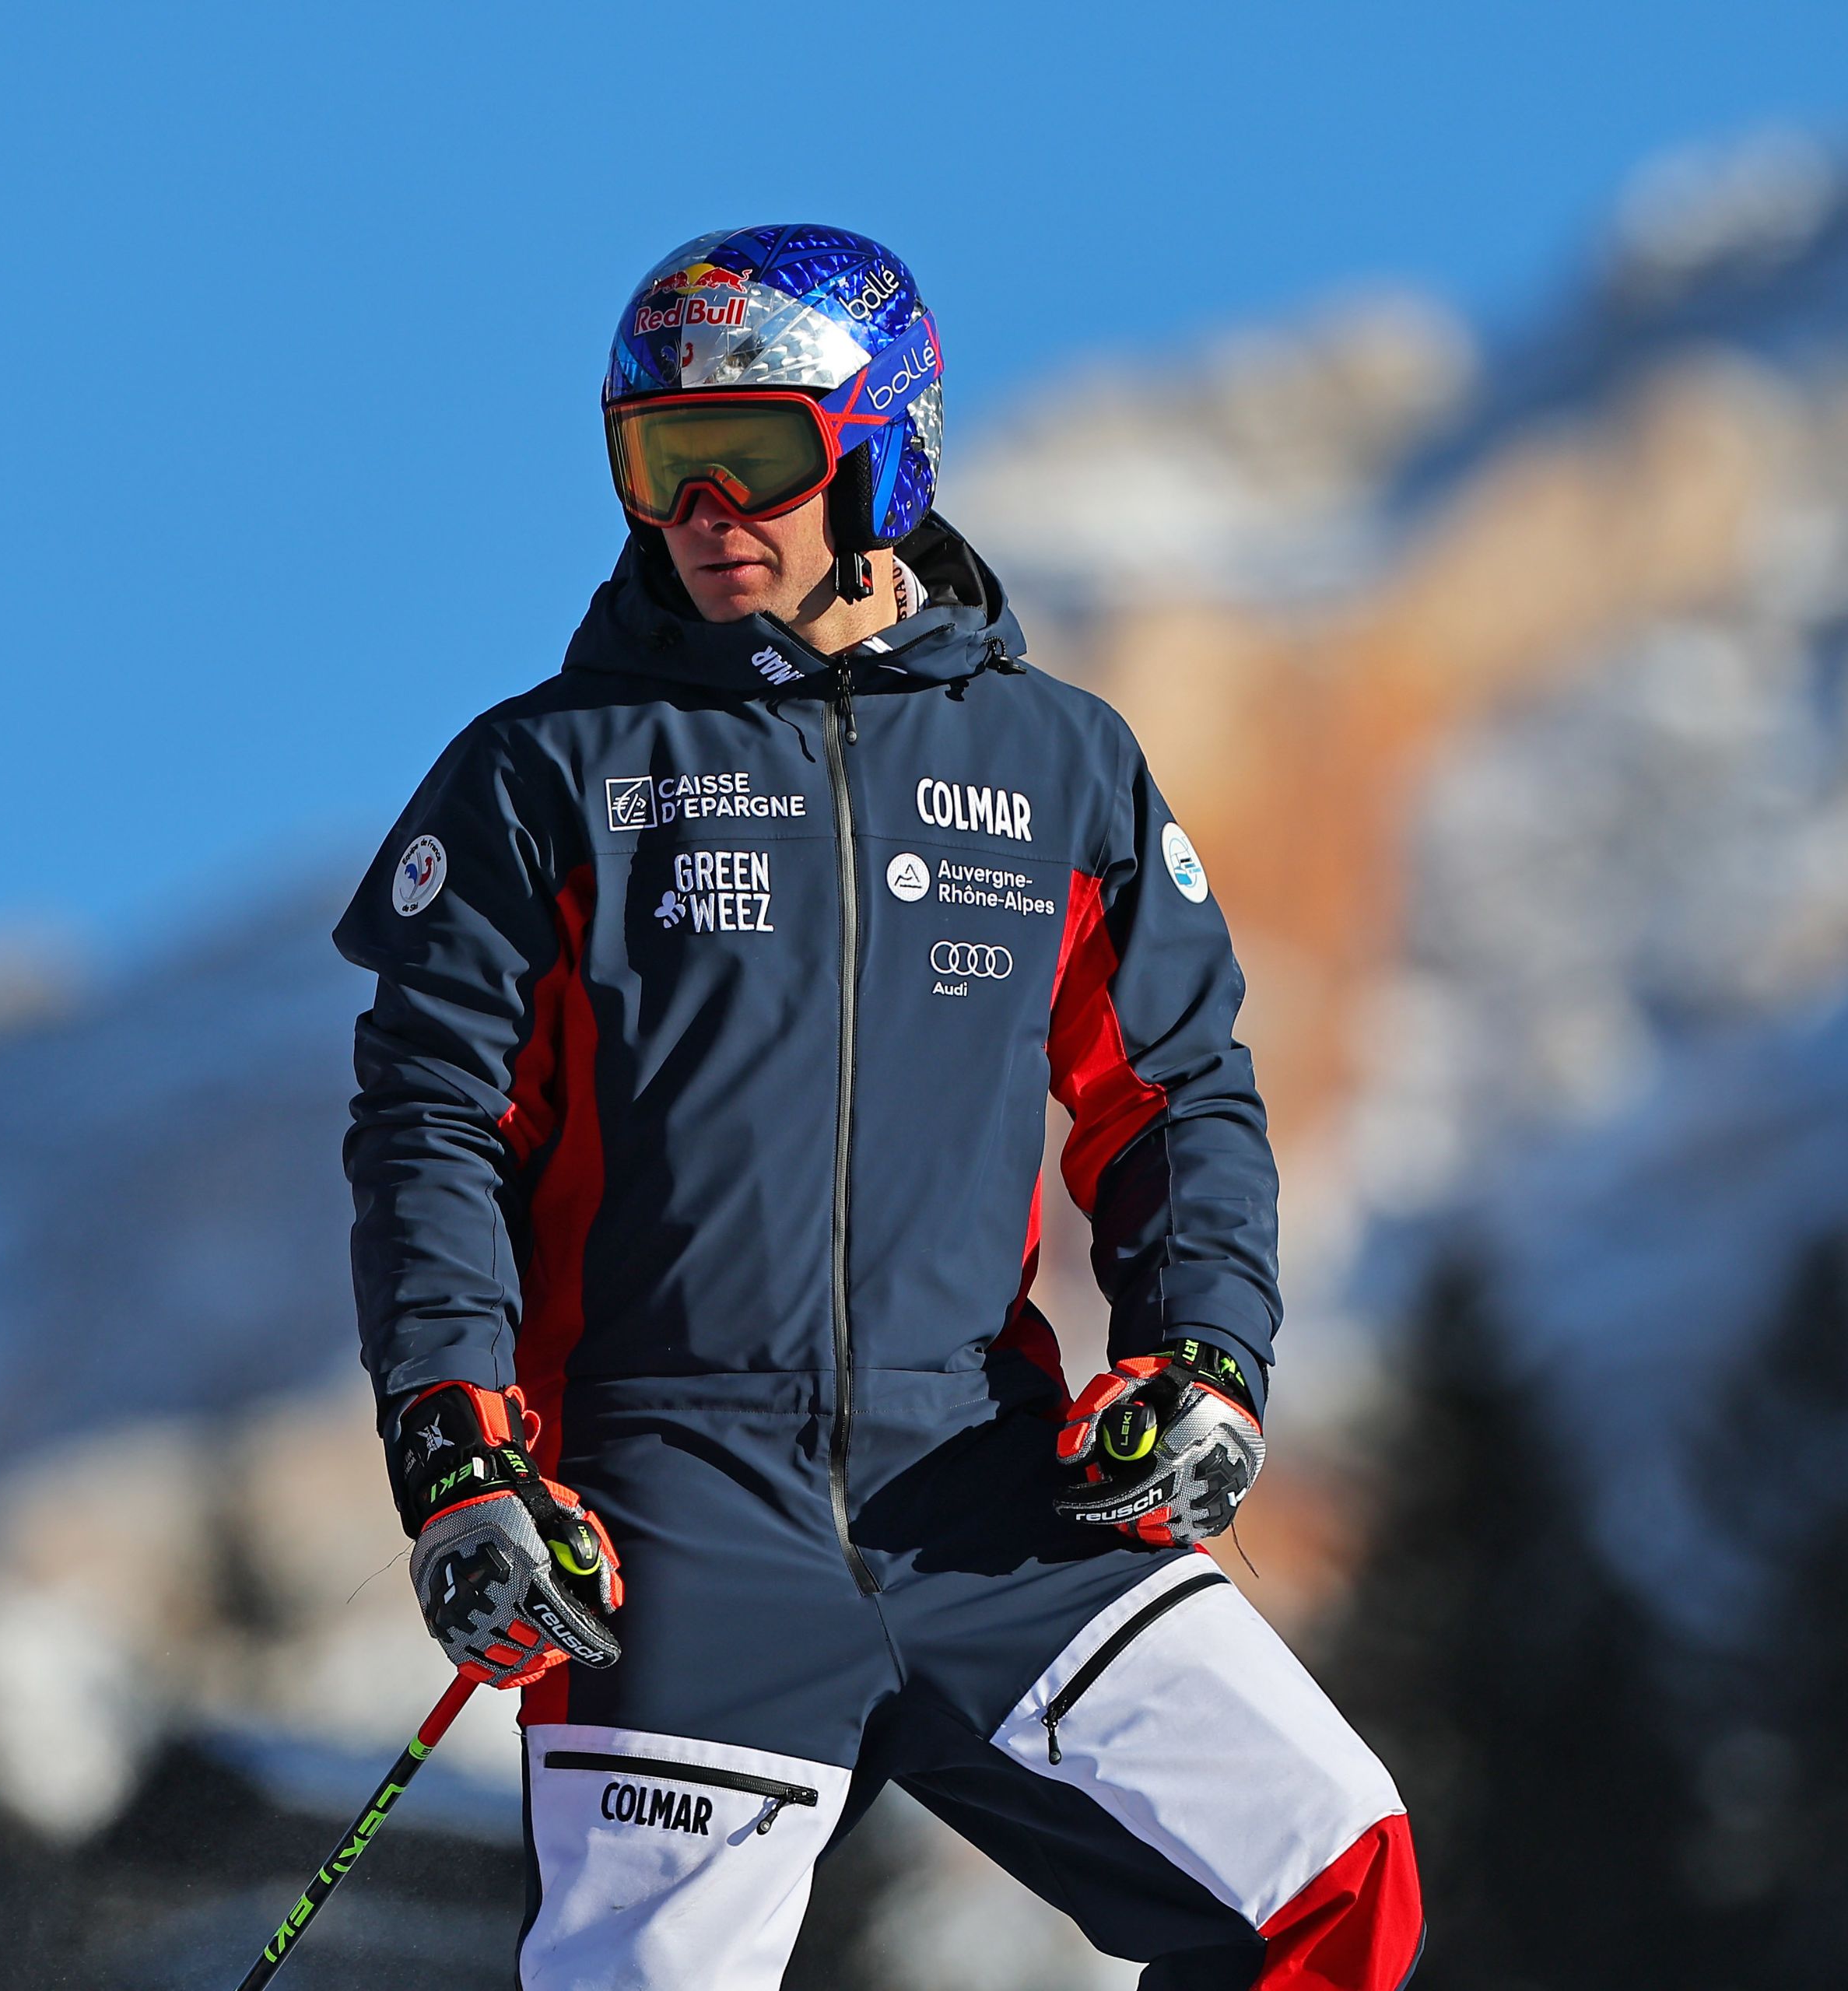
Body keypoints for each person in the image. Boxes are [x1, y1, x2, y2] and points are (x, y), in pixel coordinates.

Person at [334, 226, 1423, 1990]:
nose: (701, 508)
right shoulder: (543, 773)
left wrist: (1204, 1357)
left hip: (986, 1490)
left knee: (1329, 1878)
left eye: (749, 454)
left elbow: (1170, 1097)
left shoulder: (1058, 761)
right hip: (678, 1517)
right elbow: (431, 1130)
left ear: (881, 451)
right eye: (656, 462)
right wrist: (457, 1453)